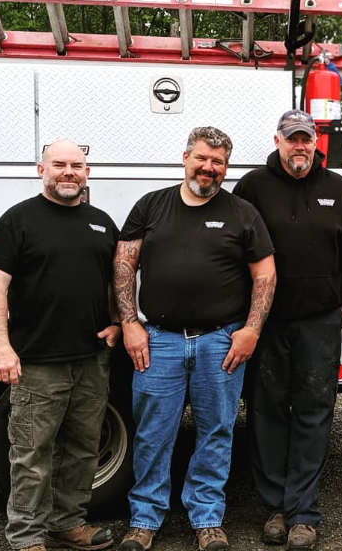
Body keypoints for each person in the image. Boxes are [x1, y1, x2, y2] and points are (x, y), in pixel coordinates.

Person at [113, 127, 276, 551]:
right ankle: (144, 520)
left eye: (218, 162)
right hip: (160, 341)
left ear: (226, 167)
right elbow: (124, 264)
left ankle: (207, 519)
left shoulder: (242, 212)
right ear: (185, 157)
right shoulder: (151, 206)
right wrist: (130, 322)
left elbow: (265, 274)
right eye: (202, 158)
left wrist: (251, 330)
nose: (209, 168)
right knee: (153, 433)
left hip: (220, 342)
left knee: (216, 432)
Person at [232, 109, 342, 551]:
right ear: (278, 141)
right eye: (293, 139)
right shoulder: (251, 187)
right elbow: (234, 253)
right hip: (266, 324)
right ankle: (274, 508)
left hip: (320, 323)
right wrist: (247, 316)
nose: (301, 146)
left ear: (315, 141)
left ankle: (303, 512)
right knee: (266, 412)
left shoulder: (336, 189)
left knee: (313, 413)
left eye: (307, 138)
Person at [0, 140, 119, 551]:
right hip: (37, 362)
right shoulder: (17, 221)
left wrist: (117, 320)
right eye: (59, 164)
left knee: (82, 448)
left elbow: (114, 280)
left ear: (87, 173)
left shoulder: (101, 222)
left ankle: (68, 524)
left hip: (91, 359)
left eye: (77, 166)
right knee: (30, 453)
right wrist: (0, 347)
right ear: (40, 169)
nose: (68, 172)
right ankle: (26, 536)